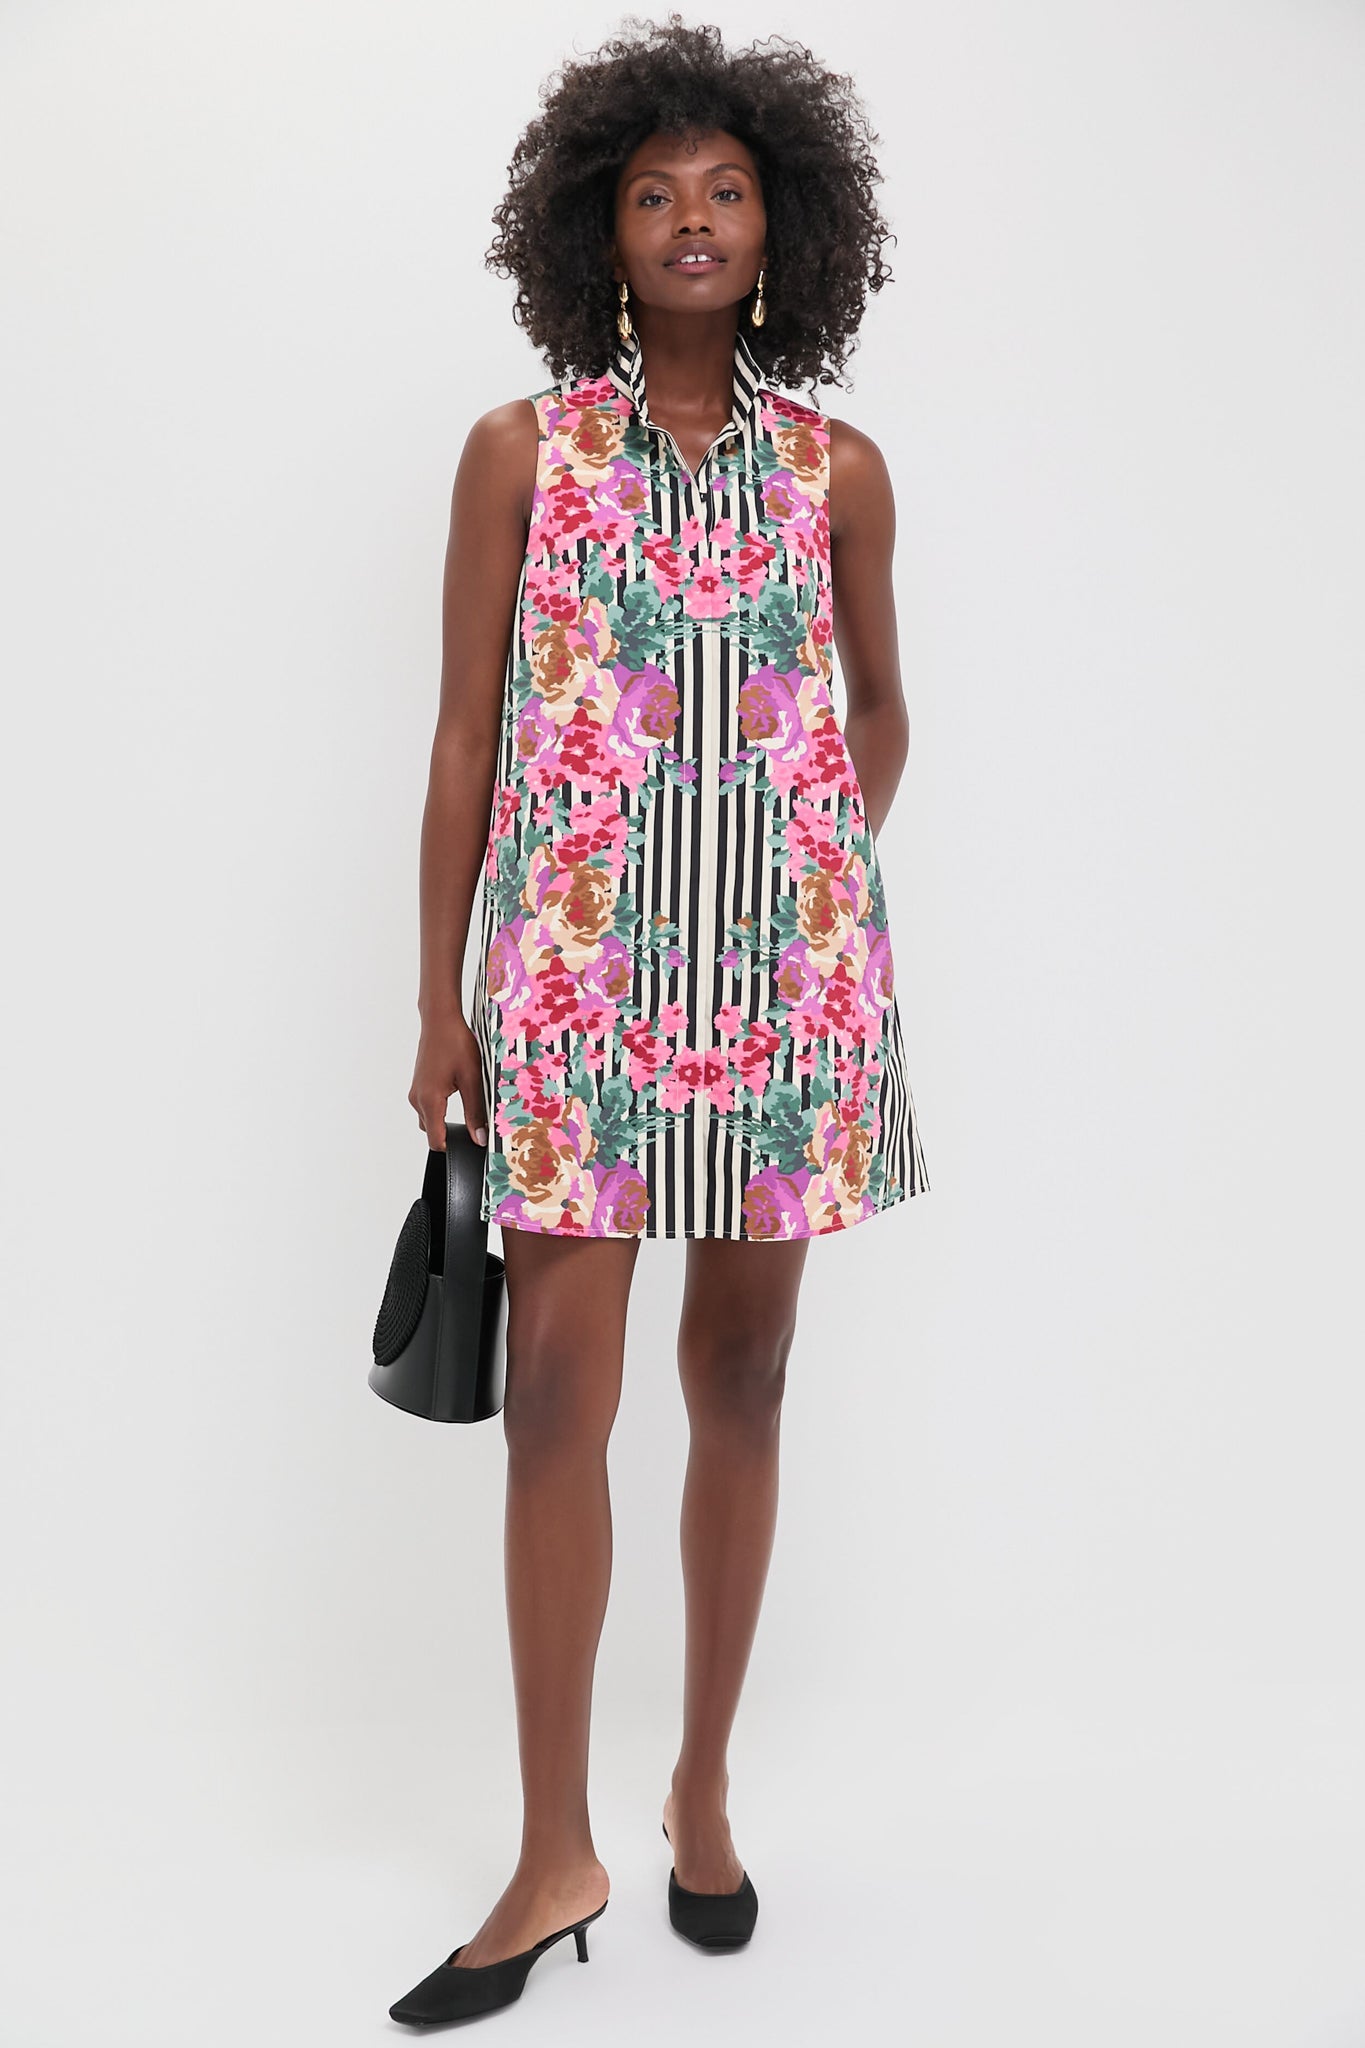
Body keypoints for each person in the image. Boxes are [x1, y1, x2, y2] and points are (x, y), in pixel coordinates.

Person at [389, 15, 930, 2027]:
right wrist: (441, 993)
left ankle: (702, 1784)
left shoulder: (836, 473)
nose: (689, 216)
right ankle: (555, 1850)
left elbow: (878, 713)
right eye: (649, 191)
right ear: (594, 232)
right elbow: (466, 732)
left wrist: (797, 887)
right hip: (571, 983)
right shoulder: (520, 458)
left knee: (746, 1380)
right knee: (552, 1397)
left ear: (782, 225)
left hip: (785, 996)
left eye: (723, 187)